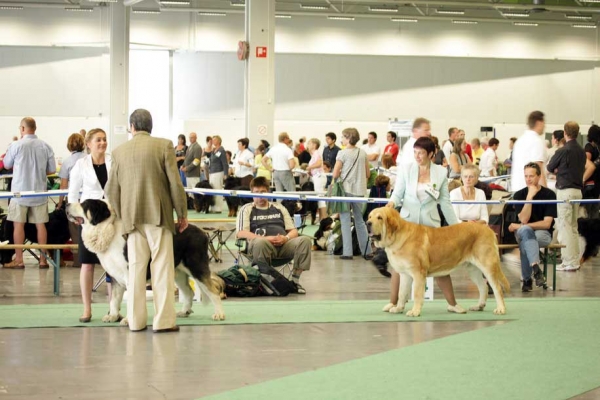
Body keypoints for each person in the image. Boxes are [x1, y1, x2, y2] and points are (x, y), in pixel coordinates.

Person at [105, 109, 188, 333]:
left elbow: (111, 190)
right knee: (161, 268)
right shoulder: (164, 145)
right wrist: (182, 213)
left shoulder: (119, 151)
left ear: (132, 126)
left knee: (135, 269)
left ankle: (135, 321)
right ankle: (163, 322)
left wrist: (123, 214)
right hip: (158, 216)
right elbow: (175, 183)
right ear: (150, 126)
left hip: (131, 219)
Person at [386, 136, 466, 314]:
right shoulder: (406, 169)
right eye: (415, 152)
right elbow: (397, 193)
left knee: (440, 265)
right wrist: (391, 204)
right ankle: (395, 303)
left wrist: (456, 227)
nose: (417, 156)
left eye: (421, 153)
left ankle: (452, 304)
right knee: (399, 265)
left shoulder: (440, 172)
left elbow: (445, 202)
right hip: (407, 224)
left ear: (431, 154)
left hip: (430, 226)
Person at [236, 177, 311, 294]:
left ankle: (295, 282)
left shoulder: (279, 207)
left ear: (268, 192)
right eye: (256, 193)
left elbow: (293, 231)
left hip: (283, 245)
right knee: (261, 242)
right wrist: (266, 238)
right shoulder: (246, 209)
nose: (260, 196)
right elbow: (241, 232)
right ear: (252, 193)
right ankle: (265, 281)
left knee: (305, 240)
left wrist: (285, 238)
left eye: (263, 192)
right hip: (260, 247)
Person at [68, 129, 112, 323]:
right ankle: (87, 309)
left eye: (104, 139)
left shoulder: (114, 161)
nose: (102, 143)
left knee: (113, 265)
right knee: (87, 265)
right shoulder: (80, 164)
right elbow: (72, 194)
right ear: (89, 144)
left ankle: (113, 308)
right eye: (98, 140)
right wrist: (75, 217)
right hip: (88, 222)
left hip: (110, 219)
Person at [3, 117, 56, 269]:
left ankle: (19, 260)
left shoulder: (16, 145)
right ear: (35, 128)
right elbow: (52, 169)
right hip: (39, 193)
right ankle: (43, 260)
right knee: (41, 226)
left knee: (18, 226)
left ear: (22, 129)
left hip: (20, 193)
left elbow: (6, 164)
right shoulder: (46, 146)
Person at [508, 162, 557, 291]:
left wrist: (521, 226)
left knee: (526, 237)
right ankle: (536, 269)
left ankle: (527, 280)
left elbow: (546, 224)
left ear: (539, 176)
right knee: (525, 232)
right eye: (526, 176)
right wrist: (529, 197)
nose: (528, 179)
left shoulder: (549, 195)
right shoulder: (519, 195)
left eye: (531, 176)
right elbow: (523, 218)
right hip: (524, 233)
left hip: (543, 234)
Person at [547, 121, 586, 272]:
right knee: (574, 227)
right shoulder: (581, 151)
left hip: (565, 191)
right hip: (578, 191)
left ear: (565, 133)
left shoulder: (563, 150)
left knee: (565, 227)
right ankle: (574, 259)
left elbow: (550, 167)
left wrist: (558, 170)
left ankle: (568, 261)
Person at [332, 128, 373, 260]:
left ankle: (347, 252)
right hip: (360, 191)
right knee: (360, 221)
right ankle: (367, 251)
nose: (341, 139)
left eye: (343, 137)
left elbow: (335, 173)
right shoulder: (362, 153)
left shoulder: (342, 153)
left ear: (348, 138)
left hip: (346, 190)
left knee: (345, 220)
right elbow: (368, 173)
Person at [56, 133, 86, 268]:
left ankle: (77, 260)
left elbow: (63, 186)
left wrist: (60, 203)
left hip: (74, 200)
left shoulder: (67, 162)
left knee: (75, 230)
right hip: (88, 199)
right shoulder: (88, 158)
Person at [511, 111, 548, 191]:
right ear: (539, 123)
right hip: (531, 190)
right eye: (544, 123)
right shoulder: (537, 141)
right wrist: (546, 194)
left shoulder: (519, 141)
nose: (545, 126)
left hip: (516, 188)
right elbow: (538, 168)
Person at [305, 138, 327, 221]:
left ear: (314, 145)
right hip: (316, 176)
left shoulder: (317, 153)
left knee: (320, 198)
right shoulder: (313, 154)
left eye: (309, 143)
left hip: (319, 177)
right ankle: (322, 218)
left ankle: (324, 218)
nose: (308, 145)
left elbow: (318, 163)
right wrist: (310, 171)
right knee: (319, 198)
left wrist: (309, 167)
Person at [205, 135, 228, 213]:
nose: (213, 141)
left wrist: (226, 173)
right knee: (213, 190)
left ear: (219, 141)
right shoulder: (213, 150)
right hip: (212, 172)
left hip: (218, 172)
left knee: (218, 189)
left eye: (214, 140)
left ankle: (218, 208)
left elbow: (225, 163)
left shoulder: (221, 150)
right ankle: (213, 207)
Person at [583, 125, 600, 219]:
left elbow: (586, 163)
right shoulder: (598, 148)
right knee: (595, 211)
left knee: (588, 212)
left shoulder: (588, 147)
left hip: (590, 183)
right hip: (598, 183)